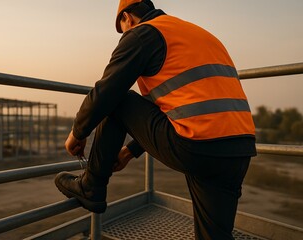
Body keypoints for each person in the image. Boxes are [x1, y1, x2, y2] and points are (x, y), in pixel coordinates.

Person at [54, 0, 256, 239]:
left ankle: (91, 186)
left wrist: (78, 133)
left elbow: (108, 91)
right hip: (238, 150)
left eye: (122, 29)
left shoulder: (144, 34)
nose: (124, 36)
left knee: (121, 98)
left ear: (127, 18)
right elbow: (178, 109)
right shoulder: (196, 34)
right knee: (214, 236)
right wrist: (128, 152)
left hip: (198, 145)